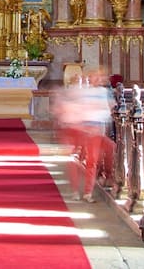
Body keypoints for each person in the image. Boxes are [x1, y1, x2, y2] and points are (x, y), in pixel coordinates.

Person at [54, 70, 115, 202]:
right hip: (79, 130)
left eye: (101, 77)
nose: (98, 79)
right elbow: (74, 109)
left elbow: (108, 110)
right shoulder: (83, 92)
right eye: (95, 76)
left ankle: (88, 191)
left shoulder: (102, 92)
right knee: (76, 160)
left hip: (93, 130)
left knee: (93, 160)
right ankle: (77, 190)